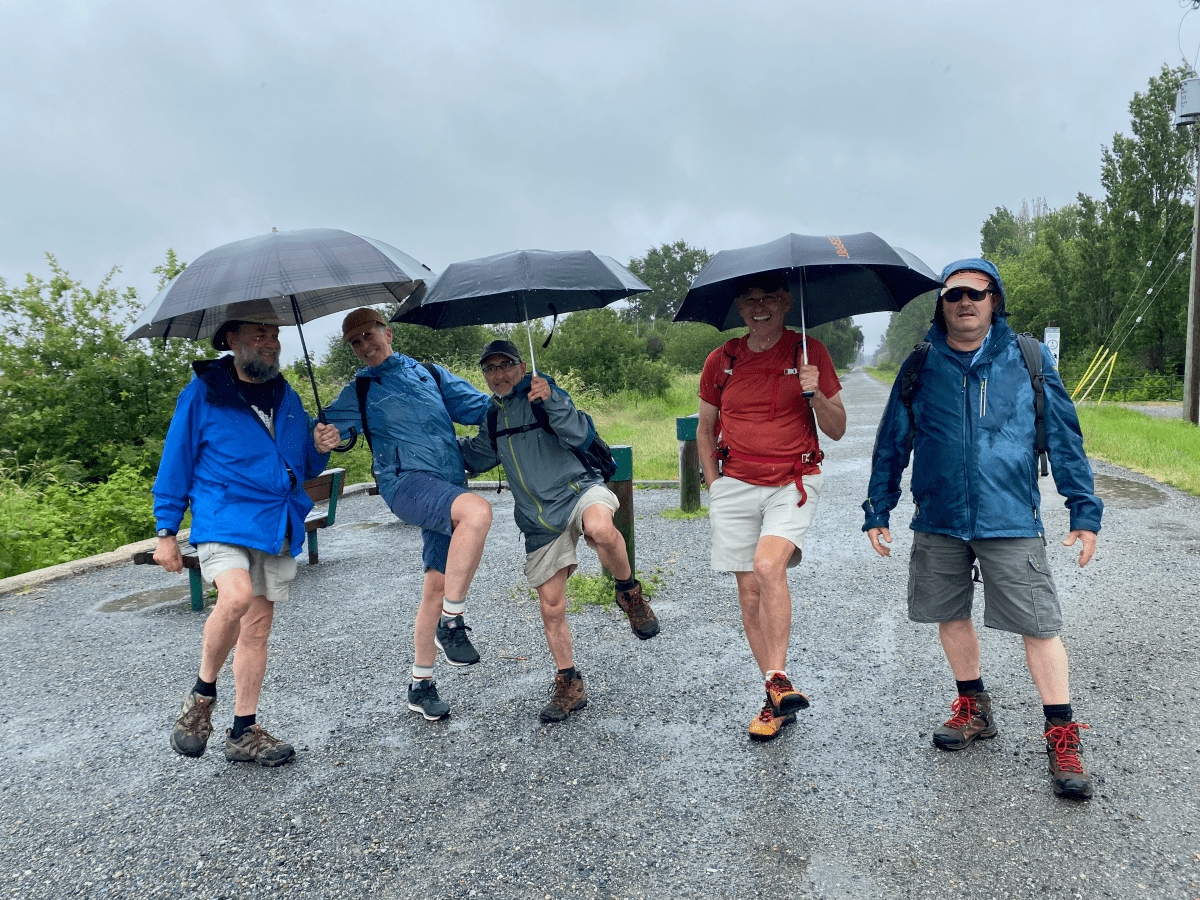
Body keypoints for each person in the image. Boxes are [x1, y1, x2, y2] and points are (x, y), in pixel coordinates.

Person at [863, 258, 1103, 799]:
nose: (965, 302)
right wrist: (878, 507)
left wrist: (1083, 511)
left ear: (994, 300)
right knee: (950, 614)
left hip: (1010, 516)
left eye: (978, 292)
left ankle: (1061, 734)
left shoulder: (1028, 359)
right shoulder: (921, 364)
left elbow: (1065, 438)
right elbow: (891, 441)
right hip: (940, 517)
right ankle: (974, 707)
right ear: (941, 304)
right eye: (954, 295)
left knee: (1039, 626)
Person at [157, 307, 342, 767]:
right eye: (260, 334)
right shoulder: (203, 394)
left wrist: (320, 449)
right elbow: (175, 460)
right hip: (222, 517)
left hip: (275, 522)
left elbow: (298, 467)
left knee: (257, 630)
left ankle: (243, 732)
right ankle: (201, 695)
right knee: (235, 598)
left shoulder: (287, 396)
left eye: (275, 334)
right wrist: (166, 530)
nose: (271, 342)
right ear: (231, 340)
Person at [459, 339, 659, 723]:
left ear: (520, 367)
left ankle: (630, 594)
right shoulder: (491, 415)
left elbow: (576, 432)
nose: (499, 374)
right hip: (538, 521)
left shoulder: (544, 393)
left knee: (600, 528)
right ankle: (569, 683)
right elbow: (477, 456)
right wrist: (429, 446)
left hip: (578, 489)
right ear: (484, 374)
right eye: (490, 368)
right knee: (551, 608)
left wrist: (551, 398)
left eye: (506, 365)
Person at [324, 308, 494, 723]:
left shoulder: (430, 374)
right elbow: (330, 429)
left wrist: (525, 393)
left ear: (389, 333)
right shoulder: (359, 391)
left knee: (437, 584)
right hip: (405, 484)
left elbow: (481, 407)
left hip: (448, 482)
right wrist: (323, 435)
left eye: (369, 335)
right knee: (478, 511)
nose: (365, 346)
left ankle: (420, 685)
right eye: (356, 342)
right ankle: (451, 624)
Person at [696, 272, 846, 741]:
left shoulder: (811, 352)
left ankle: (777, 677)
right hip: (735, 483)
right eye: (750, 300)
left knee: (767, 565)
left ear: (785, 303)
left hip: (793, 481)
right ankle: (774, 698)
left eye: (769, 299)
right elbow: (705, 429)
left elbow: (838, 428)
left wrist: (815, 392)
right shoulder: (720, 361)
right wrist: (715, 483)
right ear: (740, 307)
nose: (759, 307)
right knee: (749, 594)